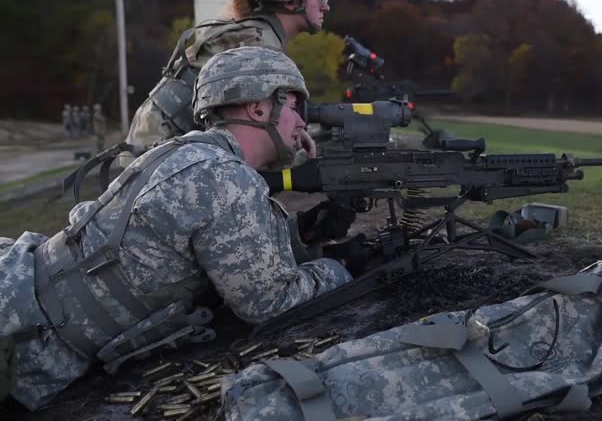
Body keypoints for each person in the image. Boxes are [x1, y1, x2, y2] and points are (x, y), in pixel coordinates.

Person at [0, 47, 354, 410]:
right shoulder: (226, 178)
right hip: (28, 344)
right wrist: (337, 269)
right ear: (259, 107)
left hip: (20, 289)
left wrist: (302, 233)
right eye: (296, 107)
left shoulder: (182, 153)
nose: (302, 124)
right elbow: (271, 303)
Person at [124, 0, 331, 157]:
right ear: (291, 0)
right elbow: (248, 135)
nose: (326, 6)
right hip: (160, 154)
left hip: (151, 145)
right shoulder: (258, 48)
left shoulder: (250, 34)